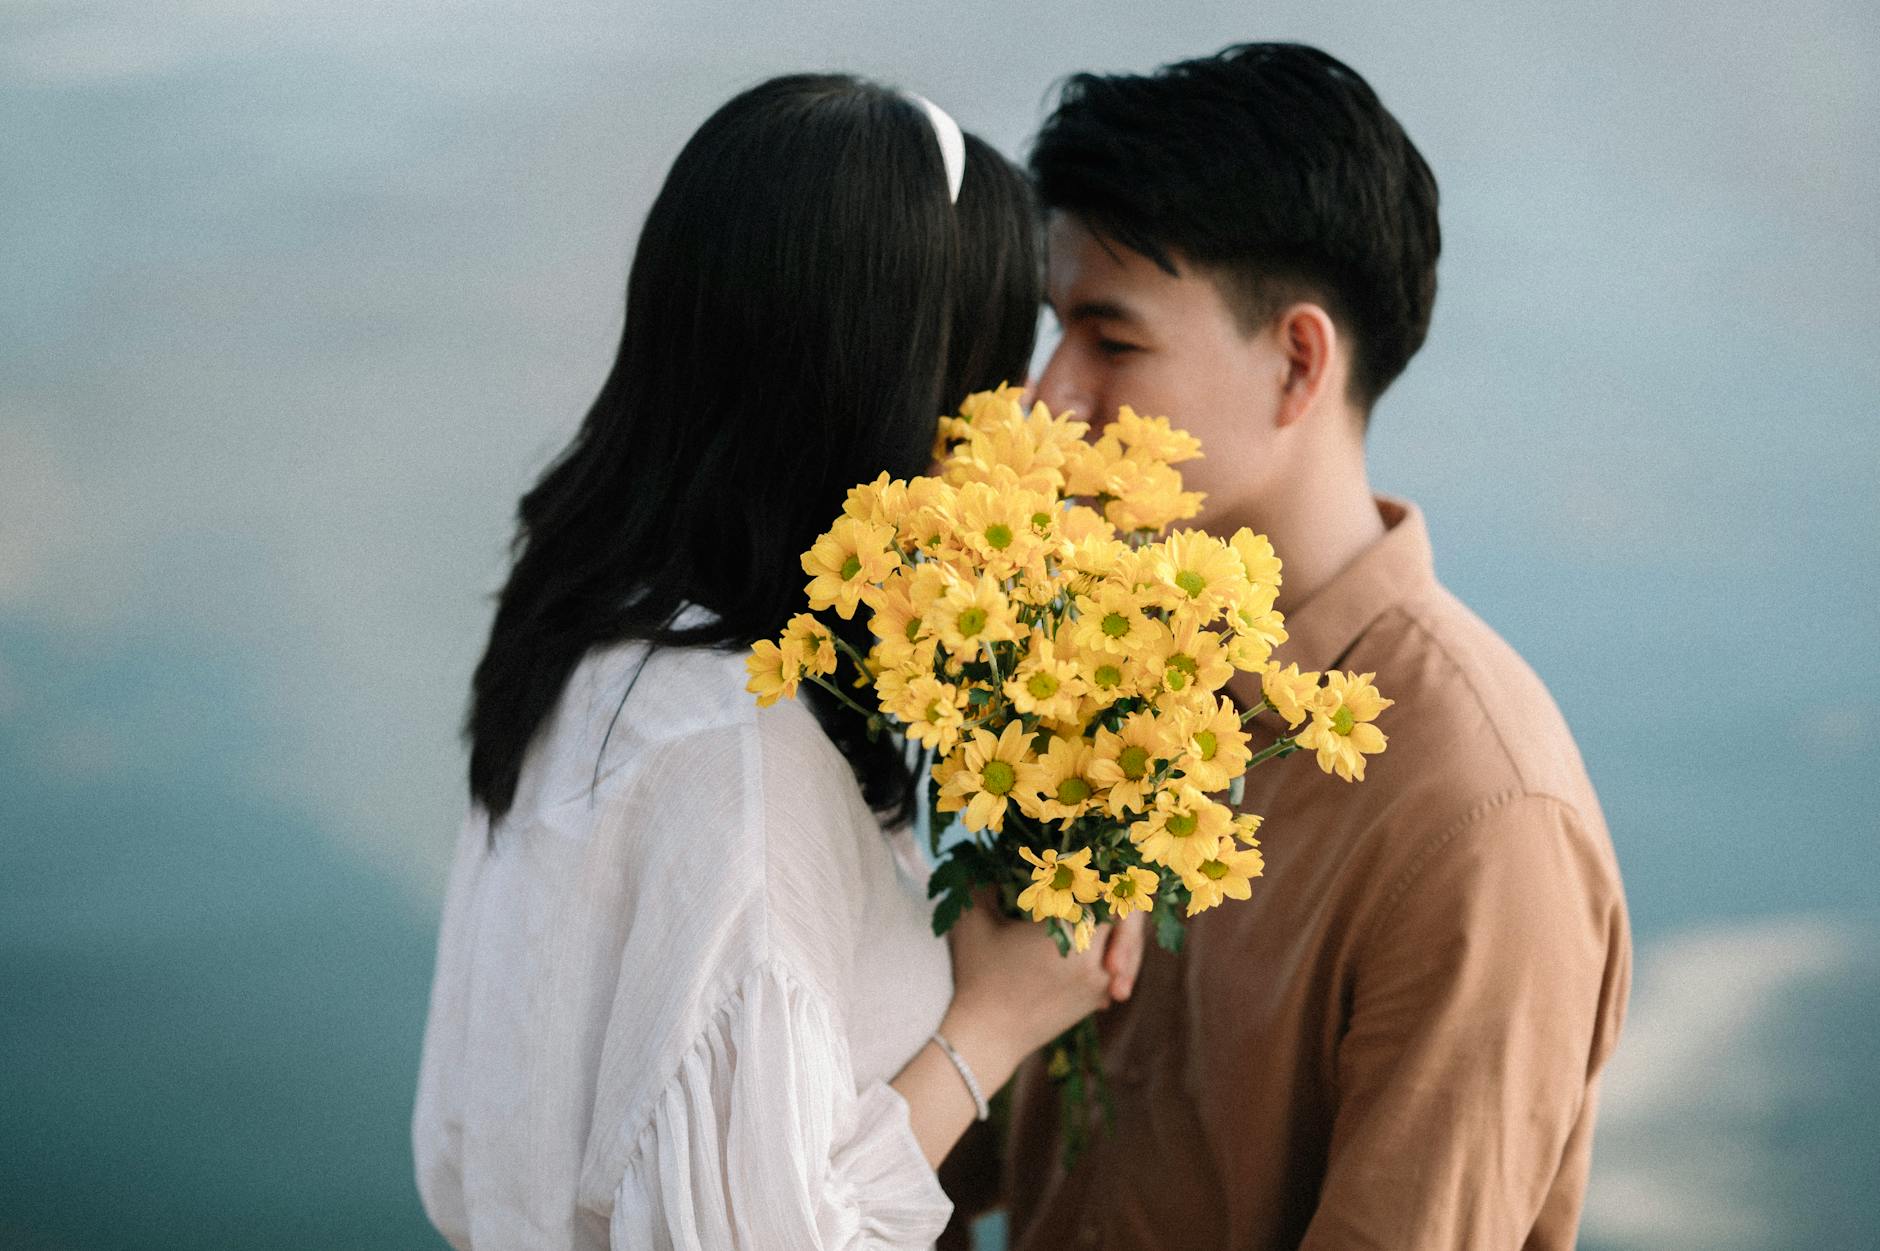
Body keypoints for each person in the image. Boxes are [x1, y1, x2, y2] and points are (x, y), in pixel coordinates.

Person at [411, 74, 1142, 1251]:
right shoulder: (740, 760)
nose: (1026, 412)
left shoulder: (597, 612)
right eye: (1000, 364)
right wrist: (994, 1021)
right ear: (909, 384)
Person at [978, 43, 1631, 1250]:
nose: (1048, 397)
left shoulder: (1477, 814)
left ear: (1295, 362)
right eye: (1052, 330)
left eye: (1109, 343)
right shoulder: (1089, 677)